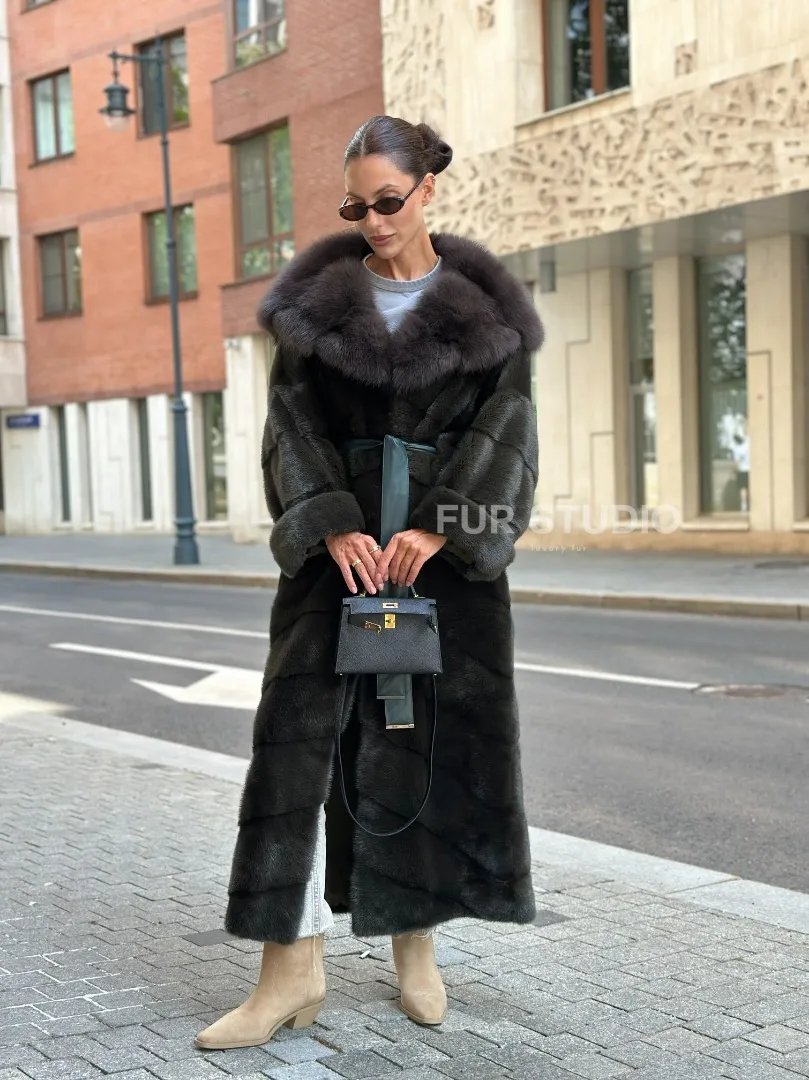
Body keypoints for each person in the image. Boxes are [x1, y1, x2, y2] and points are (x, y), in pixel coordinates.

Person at [195, 114, 543, 1052]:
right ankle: (287, 974)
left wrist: (445, 524)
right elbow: (287, 430)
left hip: (442, 578)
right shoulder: (314, 316)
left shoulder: (490, 319)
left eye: (388, 201)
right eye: (355, 207)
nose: (374, 221)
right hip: (333, 570)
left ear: (428, 188)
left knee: (416, 750)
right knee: (300, 758)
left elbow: (510, 438)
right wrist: (329, 521)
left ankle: (414, 945)